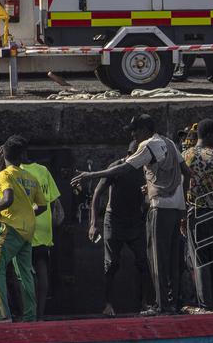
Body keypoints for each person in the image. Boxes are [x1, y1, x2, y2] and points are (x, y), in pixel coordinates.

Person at [72, 114, 189, 316]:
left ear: (144, 131)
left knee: (152, 260)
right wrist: (181, 198)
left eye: (135, 130)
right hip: (121, 219)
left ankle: (158, 306)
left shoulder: (147, 148)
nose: (134, 134)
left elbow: (127, 167)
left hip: (150, 213)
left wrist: (89, 174)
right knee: (117, 263)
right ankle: (163, 304)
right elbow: (186, 172)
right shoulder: (169, 143)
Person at [0, 137, 47, 323]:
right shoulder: (31, 177)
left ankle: (3, 315)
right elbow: (43, 206)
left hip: (11, 227)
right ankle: (30, 316)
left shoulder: (6, 174)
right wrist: (28, 215)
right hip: (28, 231)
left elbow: (7, 198)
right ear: (23, 155)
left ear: (4, 153)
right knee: (25, 274)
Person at [88, 141, 151, 317]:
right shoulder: (116, 167)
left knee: (143, 262)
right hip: (114, 220)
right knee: (111, 264)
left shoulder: (146, 170)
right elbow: (97, 194)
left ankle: (145, 303)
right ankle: (108, 304)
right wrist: (93, 223)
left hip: (135, 221)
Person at [183, 119, 213, 312]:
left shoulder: (185, 155)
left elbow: (180, 186)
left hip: (196, 213)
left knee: (200, 260)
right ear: (209, 134)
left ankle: (205, 305)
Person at [18, 139, 63, 320]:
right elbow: (53, 200)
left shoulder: (14, 172)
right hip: (44, 228)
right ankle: (40, 314)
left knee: (24, 274)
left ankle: (27, 313)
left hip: (25, 227)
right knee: (42, 268)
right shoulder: (43, 170)